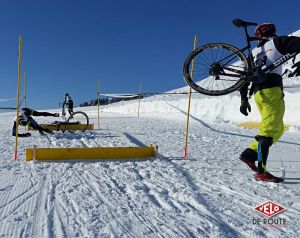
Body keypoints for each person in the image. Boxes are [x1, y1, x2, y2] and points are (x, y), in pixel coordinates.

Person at [239, 23, 300, 182]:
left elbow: (245, 77)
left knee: (277, 129)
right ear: (273, 32)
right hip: (271, 90)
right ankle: (261, 170)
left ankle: (250, 154)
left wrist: (244, 98)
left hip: (259, 93)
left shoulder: (253, 52)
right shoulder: (278, 42)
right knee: (269, 130)